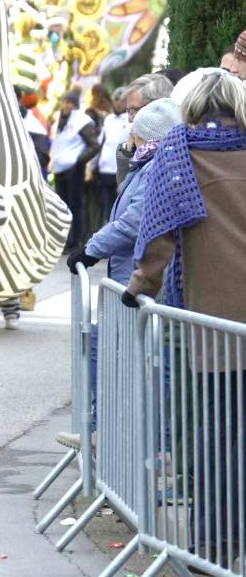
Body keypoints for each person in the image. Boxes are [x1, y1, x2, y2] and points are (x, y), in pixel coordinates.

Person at [126, 69, 246, 566]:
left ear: (192, 105)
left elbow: (158, 236)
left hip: (211, 318)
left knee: (217, 430)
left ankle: (214, 545)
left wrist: (140, 286)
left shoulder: (178, 154)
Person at [65, 97, 182, 437]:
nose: (130, 136)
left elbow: (133, 222)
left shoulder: (154, 167)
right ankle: (110, 428)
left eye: (136, 132)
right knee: (112, 348)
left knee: (111, 348)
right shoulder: (145, 164)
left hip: (139, 281)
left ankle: (109, 430)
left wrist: (91, 249)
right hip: (129, 278)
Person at [50, 89, 98, 250]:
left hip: (74, 169)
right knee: (62, 206)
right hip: (60, 168)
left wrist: (79, 161)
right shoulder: (61, 119)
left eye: (69, 103)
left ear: (75, 105)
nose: (65, 105)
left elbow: (94, 145)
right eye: (64, 102)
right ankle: (65, 240)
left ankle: (77, 240)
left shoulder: (81, 121)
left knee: (75, 206)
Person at [118, 73, 174, 185]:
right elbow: (122, 190)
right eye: (128, 111)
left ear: (157, 107)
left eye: (133, 110)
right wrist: (126, 152)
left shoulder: (175, 152)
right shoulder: (133, 145)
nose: (129, 119)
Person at [91, 86, 128, 231]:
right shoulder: (108, 119)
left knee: (119, 205)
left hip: (121, 170)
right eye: (115, 99)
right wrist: (92, 165)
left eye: (121, 100)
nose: (118, 103)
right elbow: (101, 142)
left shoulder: (130, 120)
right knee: (105, 205)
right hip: (105, 168)